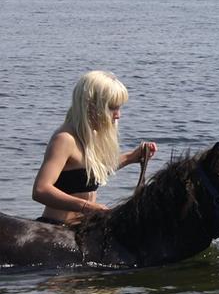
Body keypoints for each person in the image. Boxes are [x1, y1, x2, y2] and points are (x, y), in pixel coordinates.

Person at [33, 70, 157, 225]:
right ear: (90, 105)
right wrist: (89, 207)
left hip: (82, 228)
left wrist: (132, 157)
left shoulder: (92, 135)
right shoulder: (64, 139)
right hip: (56, 227)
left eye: (119, 108)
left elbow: (89, 173)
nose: (118, 115)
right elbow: (41, 190)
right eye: (112, 107)